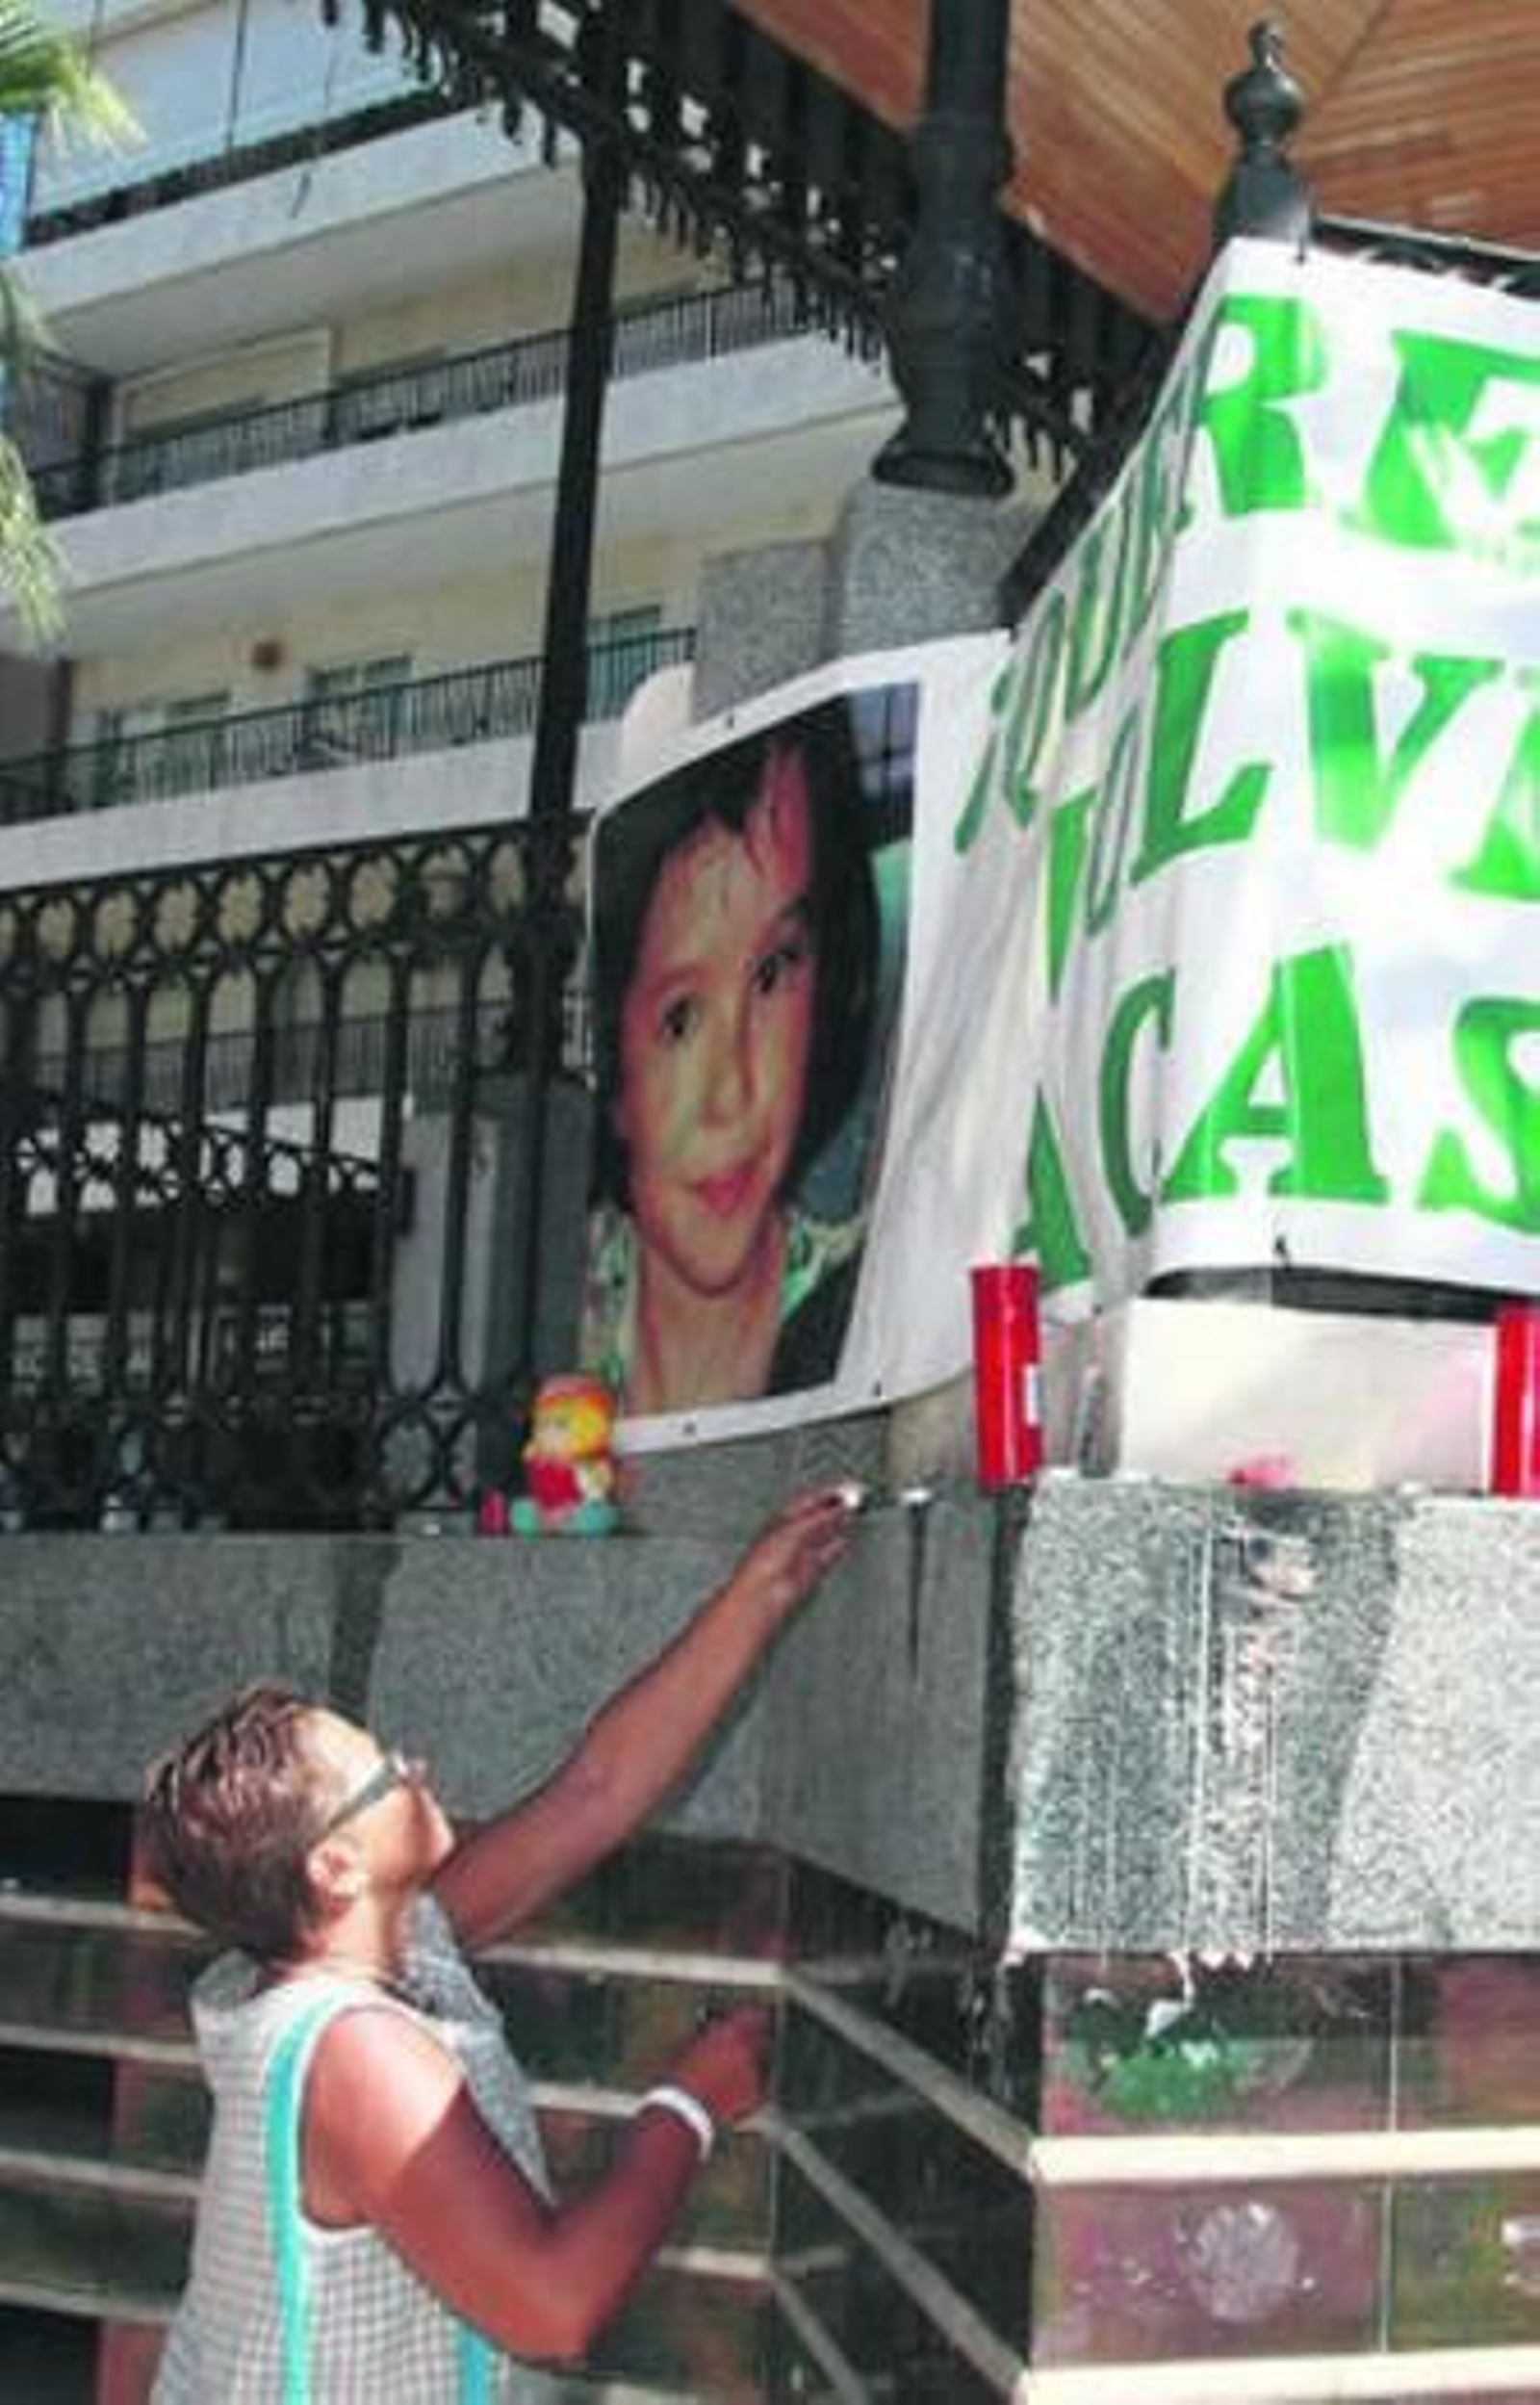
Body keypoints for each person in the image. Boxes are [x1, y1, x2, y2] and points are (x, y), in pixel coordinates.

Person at [141, 1484, 857, 2400]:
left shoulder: (359, 1952)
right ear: (335, 1868)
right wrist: (686, 2106)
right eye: (385, 1773)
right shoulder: (353, 2050)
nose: (416, 1768)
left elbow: (594, 1793)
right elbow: (551, 2309)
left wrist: (758, 1591)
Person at [584, 699, 882, 1416]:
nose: (733, 1093)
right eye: (680, 1018)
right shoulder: (579, 1341)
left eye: (774, 974)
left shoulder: (871, 1302)